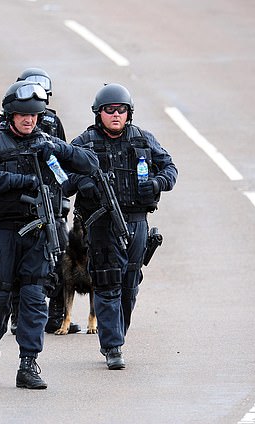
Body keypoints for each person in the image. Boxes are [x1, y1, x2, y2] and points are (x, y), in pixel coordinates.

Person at [0, 81, 98, 389]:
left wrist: (59, 149)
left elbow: (87, 165)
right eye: (23, 115)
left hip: (39, 233)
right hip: (5, 233)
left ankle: (28, 363)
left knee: (35, 298)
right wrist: (20, 181)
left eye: (35, 115)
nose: (29, 120)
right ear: (11, 114)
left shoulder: (47, 143)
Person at [65, 83, 177, 370]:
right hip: (100, 223)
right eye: (109, 110)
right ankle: (112, 345)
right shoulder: (85, 143)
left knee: (130, 284)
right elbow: (60, 176)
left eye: (121, 110)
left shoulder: (143, 140)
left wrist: (156, 183)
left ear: (129, 113)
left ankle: (116, 333)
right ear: (98, 113)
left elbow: (170, 169)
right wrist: (82, 182)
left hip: (137, 221)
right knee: (107, 280)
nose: (116, 114)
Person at [0, 67, 79, 336]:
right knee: (15, 270)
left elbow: (65, 162)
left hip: (50, 206)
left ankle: (54, 315)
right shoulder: (2, 126)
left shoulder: (51, 124)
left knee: (59, 257)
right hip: (15, 208)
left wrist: (62, 197)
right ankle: (19, 316)